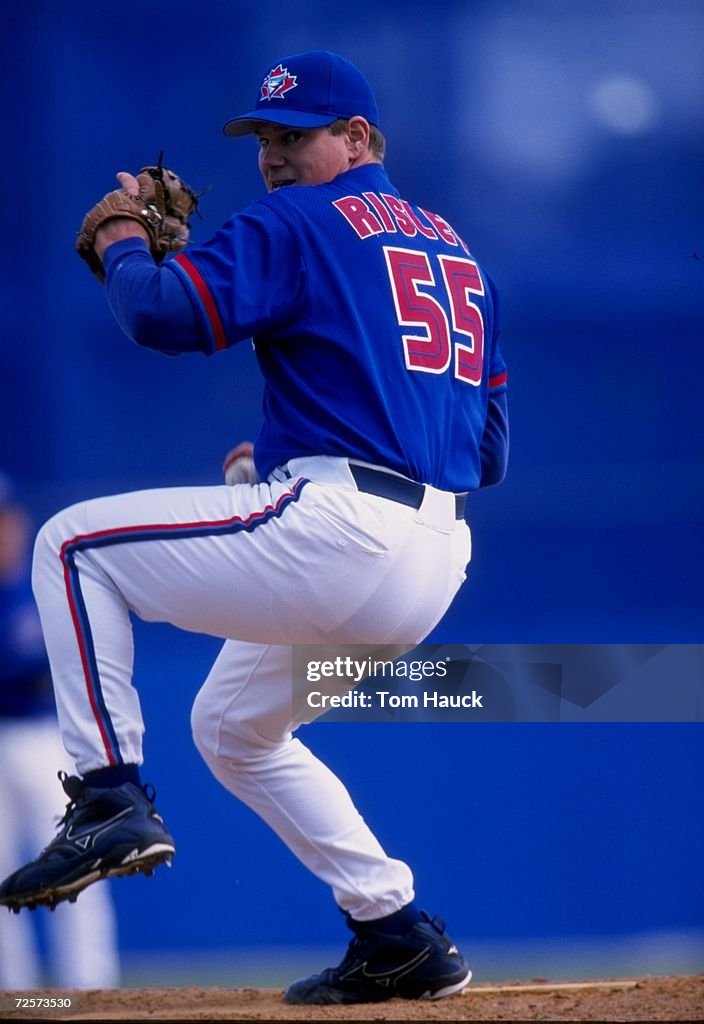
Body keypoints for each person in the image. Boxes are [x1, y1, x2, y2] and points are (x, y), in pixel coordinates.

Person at [0, 51, 508, 1004]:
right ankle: (393, 930)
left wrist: (120, 238)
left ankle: (107, 796)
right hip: (435, 559)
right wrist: (300, 471)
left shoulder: (305, 218)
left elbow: (163, 316)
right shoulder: (457, 252)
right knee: (234, 728)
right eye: (265, 139)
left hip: (343, 531)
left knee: (67, 547)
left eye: (295, 135)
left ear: (358, 138)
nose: (273, 156)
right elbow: (488, 455)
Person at [0, 472, 120, 989]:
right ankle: (14, 998)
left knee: (77, 867)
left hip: (39, 739)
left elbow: (47, 663)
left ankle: (89, 993)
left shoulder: (36, 589)